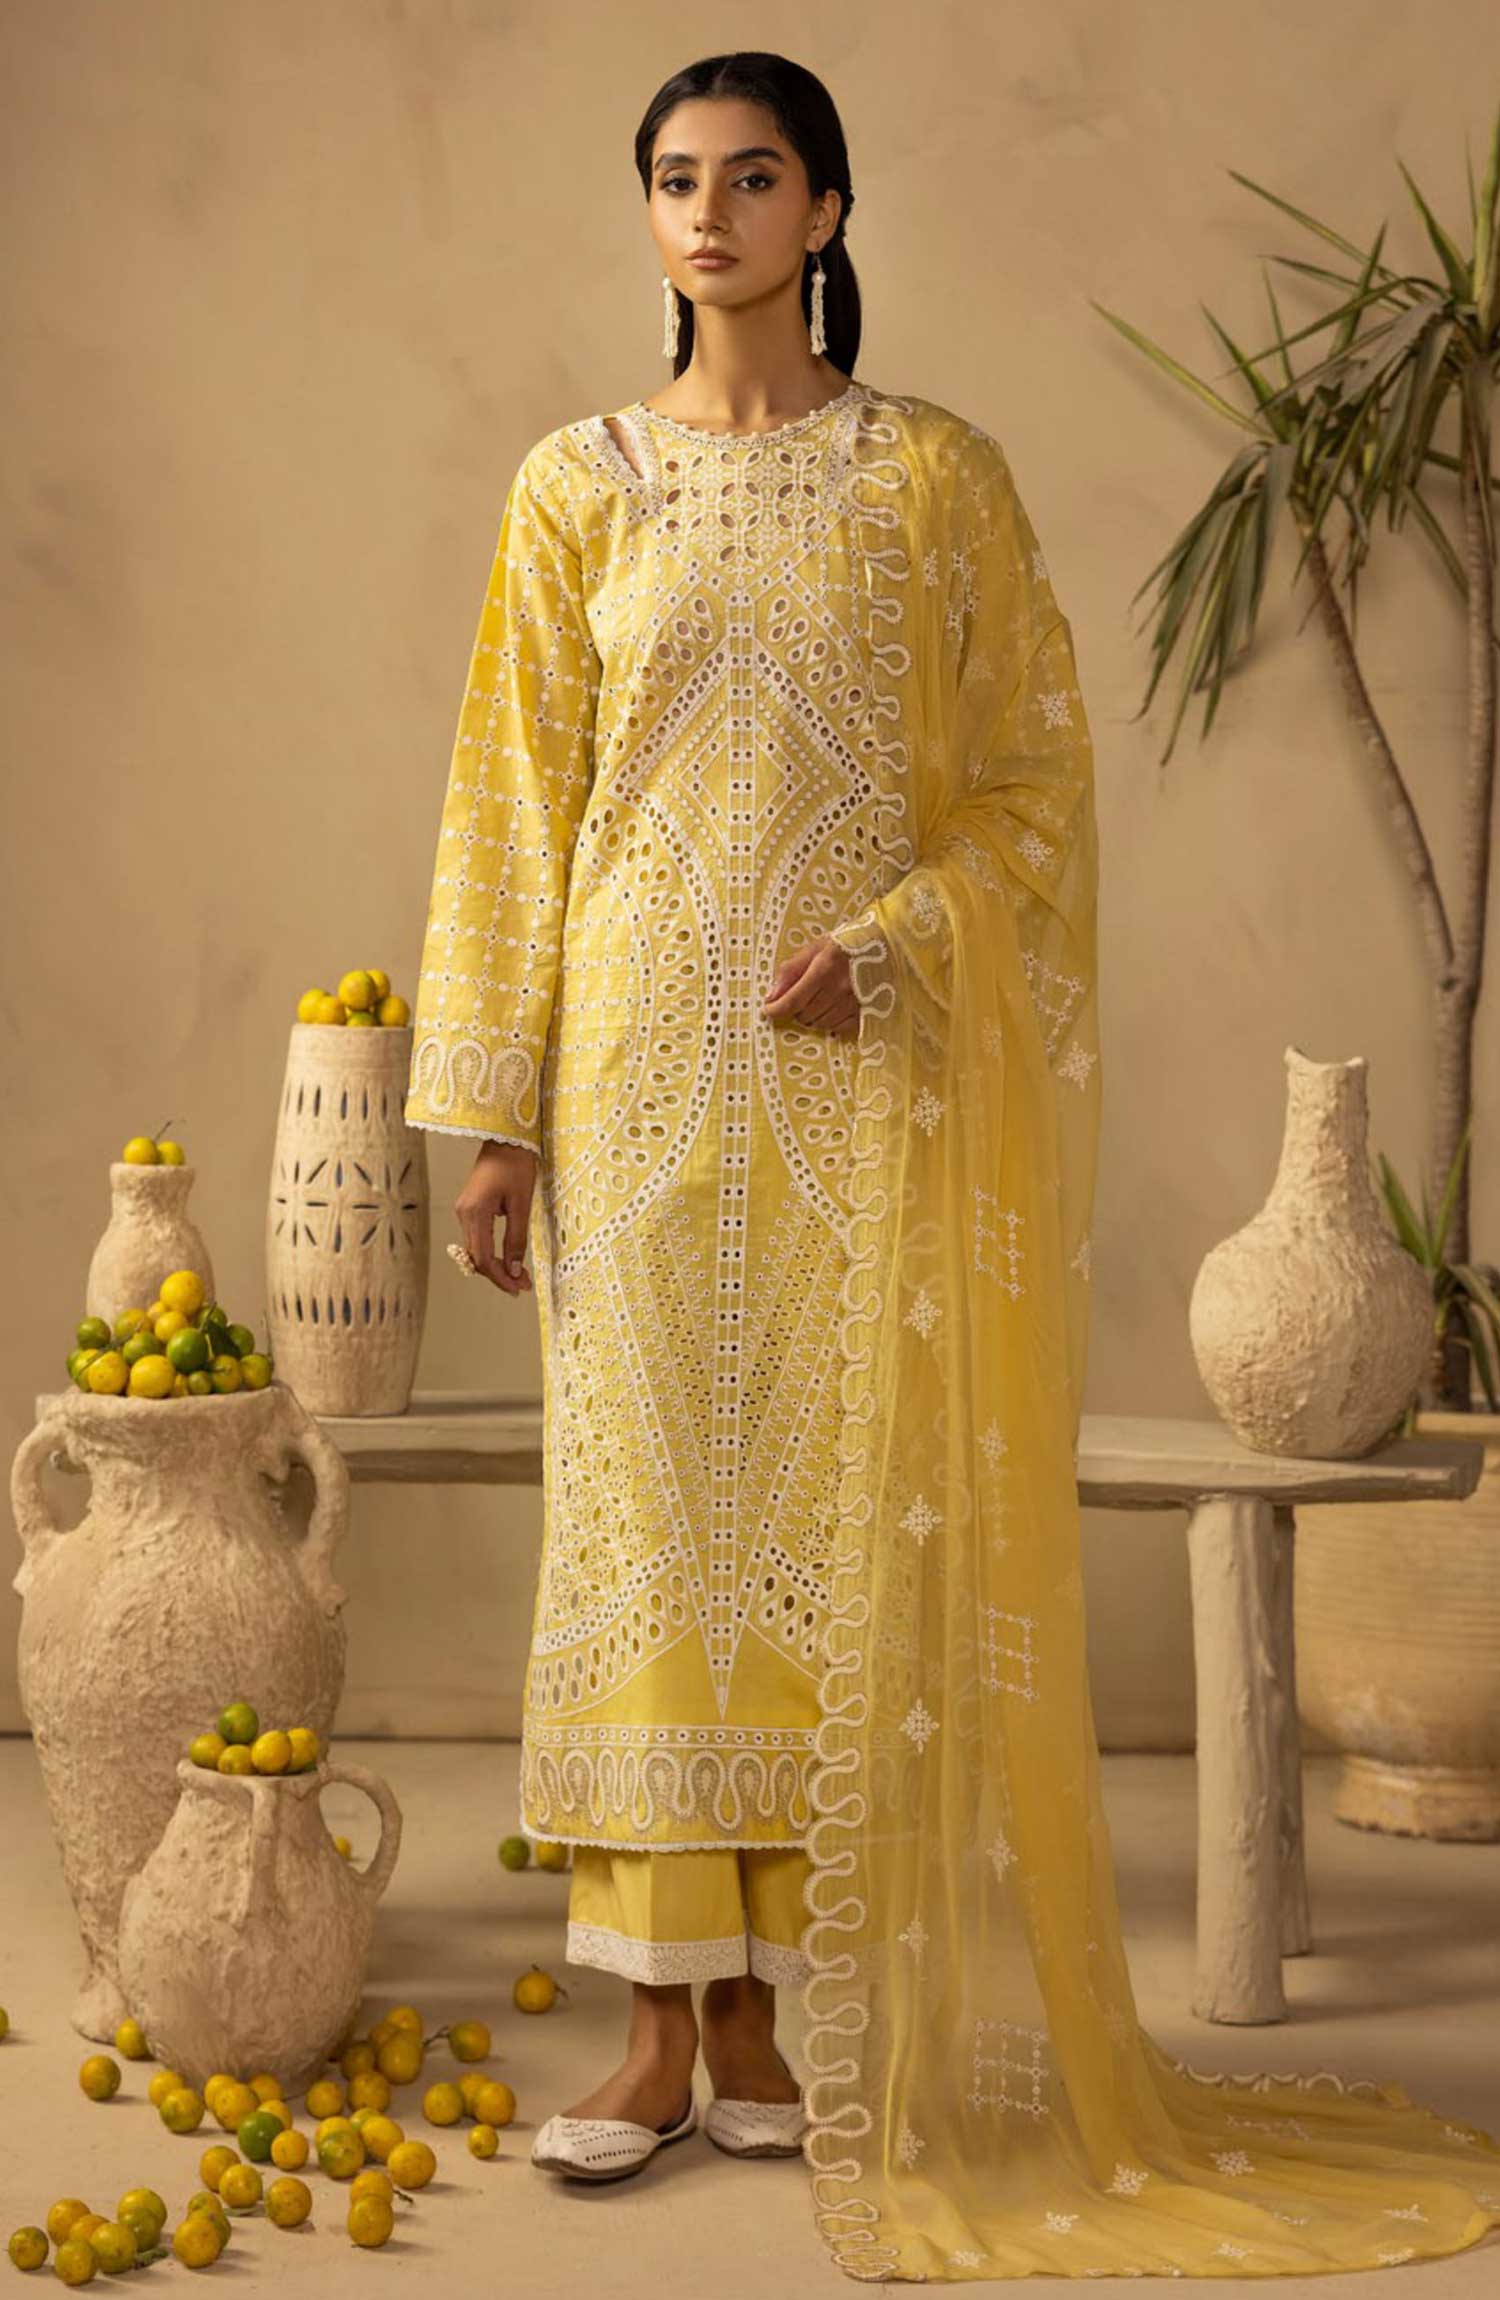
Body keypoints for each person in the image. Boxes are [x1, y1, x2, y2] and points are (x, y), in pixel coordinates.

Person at [405, 46, 1500, 2283]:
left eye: (753, 178)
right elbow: (511, 807)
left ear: (825, 211)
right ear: (649, 215)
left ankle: (778, 2021)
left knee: (826, 1534)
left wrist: (899, 942)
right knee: (647, 1533)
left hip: (854, 1104)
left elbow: (1030, 788)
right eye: (676, 180)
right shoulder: (574, 487)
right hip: (633, 1094)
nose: (708, 215)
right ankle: (657, 2027)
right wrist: (495, 1119)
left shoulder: (932, 478)